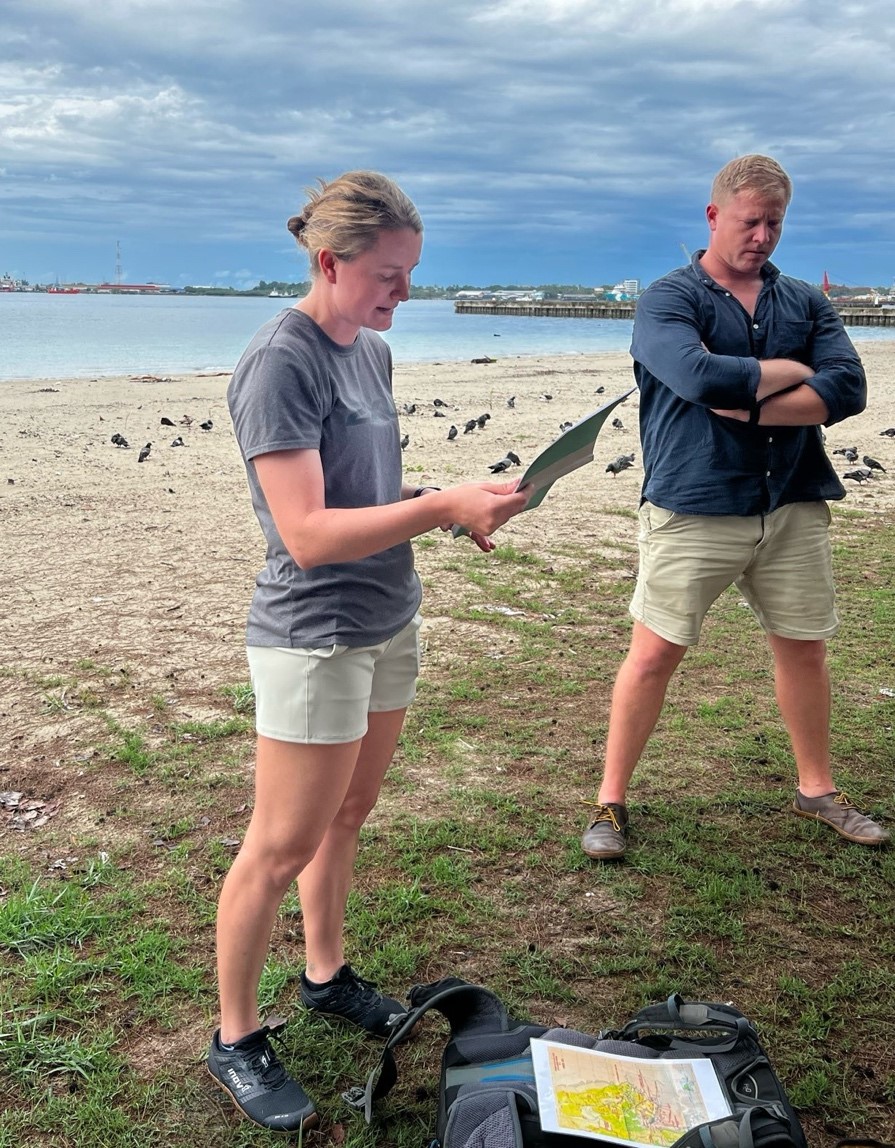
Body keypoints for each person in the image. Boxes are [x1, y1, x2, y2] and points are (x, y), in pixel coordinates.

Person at [206, 170, 530, 1133]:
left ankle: (325, 974)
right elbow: (304, 533)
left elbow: (366, 494)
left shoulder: (368, 353)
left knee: (348, 813)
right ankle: (233, 1037)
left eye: (412, 275)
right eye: (388, 276)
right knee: (279, 844)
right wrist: (438, 507)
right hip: (314, 637)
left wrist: (451, 505)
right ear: (328, 261)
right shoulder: (279, 362)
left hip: (388, 617)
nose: (402, 295)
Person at [581, 154, 889, 861]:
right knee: (654, 652)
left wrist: (747, 405)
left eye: (774, 223)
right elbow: (693, 374)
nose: (762, 236)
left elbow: (848, 389)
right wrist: (789, 373)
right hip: (694, 502)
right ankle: (609, 800)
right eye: (750, 221)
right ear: (714, 215)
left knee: (804, 647)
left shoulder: (804, 303)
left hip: (792, 499)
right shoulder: (667, 299)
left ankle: (815, 788)